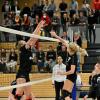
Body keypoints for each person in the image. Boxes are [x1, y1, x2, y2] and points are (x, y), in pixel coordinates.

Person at [50, 31, 87, 100]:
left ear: (70, 49)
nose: (65, 46)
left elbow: (72, 71)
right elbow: (63, 41)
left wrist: (62, 73)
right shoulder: (70, 52)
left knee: (64, 95)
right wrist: (55, 35)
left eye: (67, 47)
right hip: (69, 77)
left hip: (71, 77)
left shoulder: (73, 57)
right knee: (65, 95)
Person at [15, 21, 45, 100]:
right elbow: (32, 37)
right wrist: (38, 26)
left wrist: (40, 28)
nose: (25, 41)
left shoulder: (28, 49)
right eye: (23, 41)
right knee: (18, 94)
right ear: (21, 44)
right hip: (21, 74)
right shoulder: (23, 48)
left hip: (26, 74)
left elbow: (35, 38)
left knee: (28, 96)